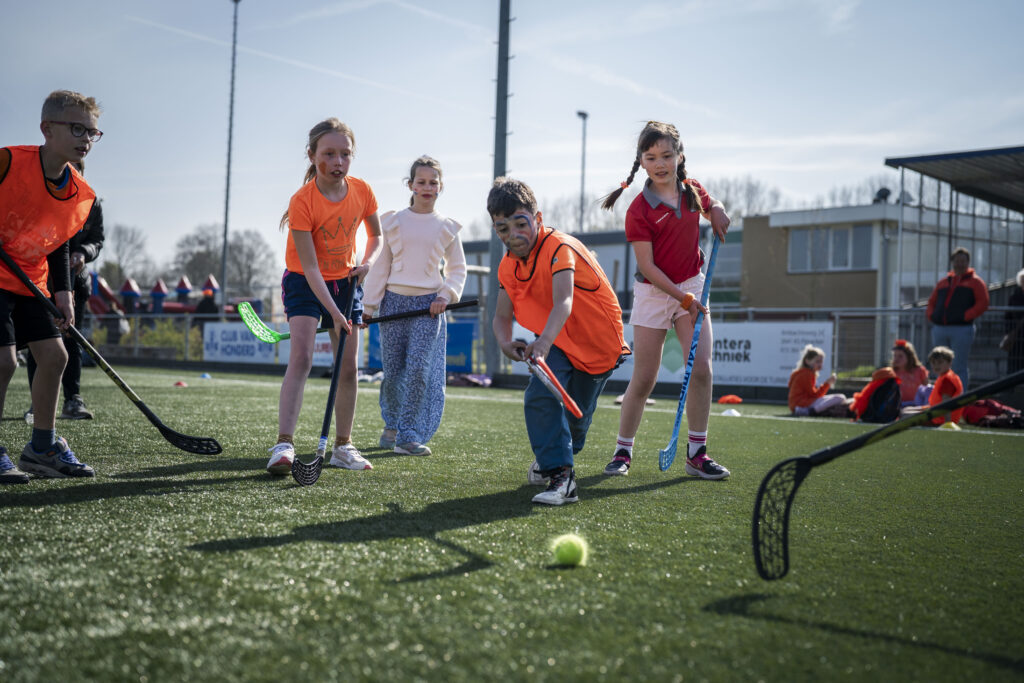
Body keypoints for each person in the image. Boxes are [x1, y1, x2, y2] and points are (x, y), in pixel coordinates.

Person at [599, 121, 730, 479]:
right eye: (651, 156)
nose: (660, 163)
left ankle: (697, 454)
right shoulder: (638, 210)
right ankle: (623, 451)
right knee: (644, 378)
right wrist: (682, 299)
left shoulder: (691, 190)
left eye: (667, 155)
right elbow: (647, 266)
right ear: (641, 161)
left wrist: (716, 207)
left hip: (692, 284)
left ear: (680, 156)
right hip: (655, 292)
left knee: (702, 369)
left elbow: (709, 203)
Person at [489, 177, 630, 505]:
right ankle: (561, 477)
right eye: (502, 228)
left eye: (520, 224)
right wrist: (505, 342)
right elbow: (500, 316)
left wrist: (544, 341)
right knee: (539, 395)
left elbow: (563, 301)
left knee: (576, 421)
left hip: (599, 346)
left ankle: (559, 455)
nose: (513, 235)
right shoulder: (507, 265)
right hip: (558, 343)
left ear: (537, 219)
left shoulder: (560, 247)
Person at [265, 118, 382, 475]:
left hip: (346, 283)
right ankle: (284, 444)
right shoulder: (303, 201)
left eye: (345, 154)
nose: (338, 162)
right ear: (312, 155)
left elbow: (376, 239)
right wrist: (333, 312)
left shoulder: (362, 191)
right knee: (300, 357)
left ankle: (343, 446)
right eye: (329, 154)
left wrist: (367, 264)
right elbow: (311, 268)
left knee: (348, 368)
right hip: (305, 281)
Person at [0, 90, 102, 484]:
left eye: (93, 132)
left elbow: (59, 243)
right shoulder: (9, 161)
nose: (86, 139)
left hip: (29, 280)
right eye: (77, 128)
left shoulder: (80, 192)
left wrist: (65, 297)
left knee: (55, 357)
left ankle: (42, 447)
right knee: (5, 361)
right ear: (47, 128)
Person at [362, 155, 466, 456]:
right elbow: (381, 266)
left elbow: (458, 269)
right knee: (393, 372)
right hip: (393, 304)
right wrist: (368, 307)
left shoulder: (448, 228)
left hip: (429, 307)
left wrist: (444, 296)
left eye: (433, 182)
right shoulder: (392, 222)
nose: (427, 187)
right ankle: (391, 424)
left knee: (419, 369)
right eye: (421, 182)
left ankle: (408, 434)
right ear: (410, 185)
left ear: (441, 187)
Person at [24, 159, 105, 423]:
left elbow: (97, 240)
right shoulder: (43, 200)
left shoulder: (91, 204)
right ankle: (39, 403)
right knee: (42, 342)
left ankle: (73, 400)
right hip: (42, 283)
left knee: (71, 342)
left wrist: (84, 253)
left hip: (76, 283)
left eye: (76, 171)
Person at [926, 247, 988, 388]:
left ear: (968, 262)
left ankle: (960, 398)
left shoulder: (976, 282)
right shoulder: (944, 282)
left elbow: (983, 303)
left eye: (963, 261)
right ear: (952, 262)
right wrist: (932, 316)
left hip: (962, 329)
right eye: (957, 261)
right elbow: (931, 302)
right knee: (939, 363)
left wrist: (966, 316)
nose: (959, 264)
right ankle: (941, 395)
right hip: (940, 328)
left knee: (959, 365)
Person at [901, 346, 963, 426]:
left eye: (940, 362)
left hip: (939, 419)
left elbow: (947, 403)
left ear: (949, 362)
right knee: (905, 410)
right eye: (933, 362)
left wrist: (948, 424)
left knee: (904, 416)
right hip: (934, 412)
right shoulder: (944, 376)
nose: (936, 365)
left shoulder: (947, 380)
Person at [787, 344, 849, 417]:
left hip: (798, 404)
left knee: (840, 399)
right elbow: (815, 395)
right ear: (807, 361)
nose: (820, 364)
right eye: (817, 361)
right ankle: (811, 411)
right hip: (801, 404)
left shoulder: (804, 373)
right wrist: (828, 383)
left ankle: (813, 410)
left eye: (821, 362)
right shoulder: (806, 373)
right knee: (840, 397)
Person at [890, 339, 929, 407]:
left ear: (909, 357)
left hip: (917, 405)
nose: (896, 359)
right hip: (899, 405)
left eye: (900, 356)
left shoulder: (920, 370)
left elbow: (926, 390)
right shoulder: (892, 373)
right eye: (895, 356)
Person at [1001, 268, 1024, 374]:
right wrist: (1008, 331)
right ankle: (1010, 387)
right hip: (1016, 336)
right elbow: (1008, 316)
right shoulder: (1014, 297)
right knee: (1014, 362)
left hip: (1017, 333)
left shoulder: (1014, 297)